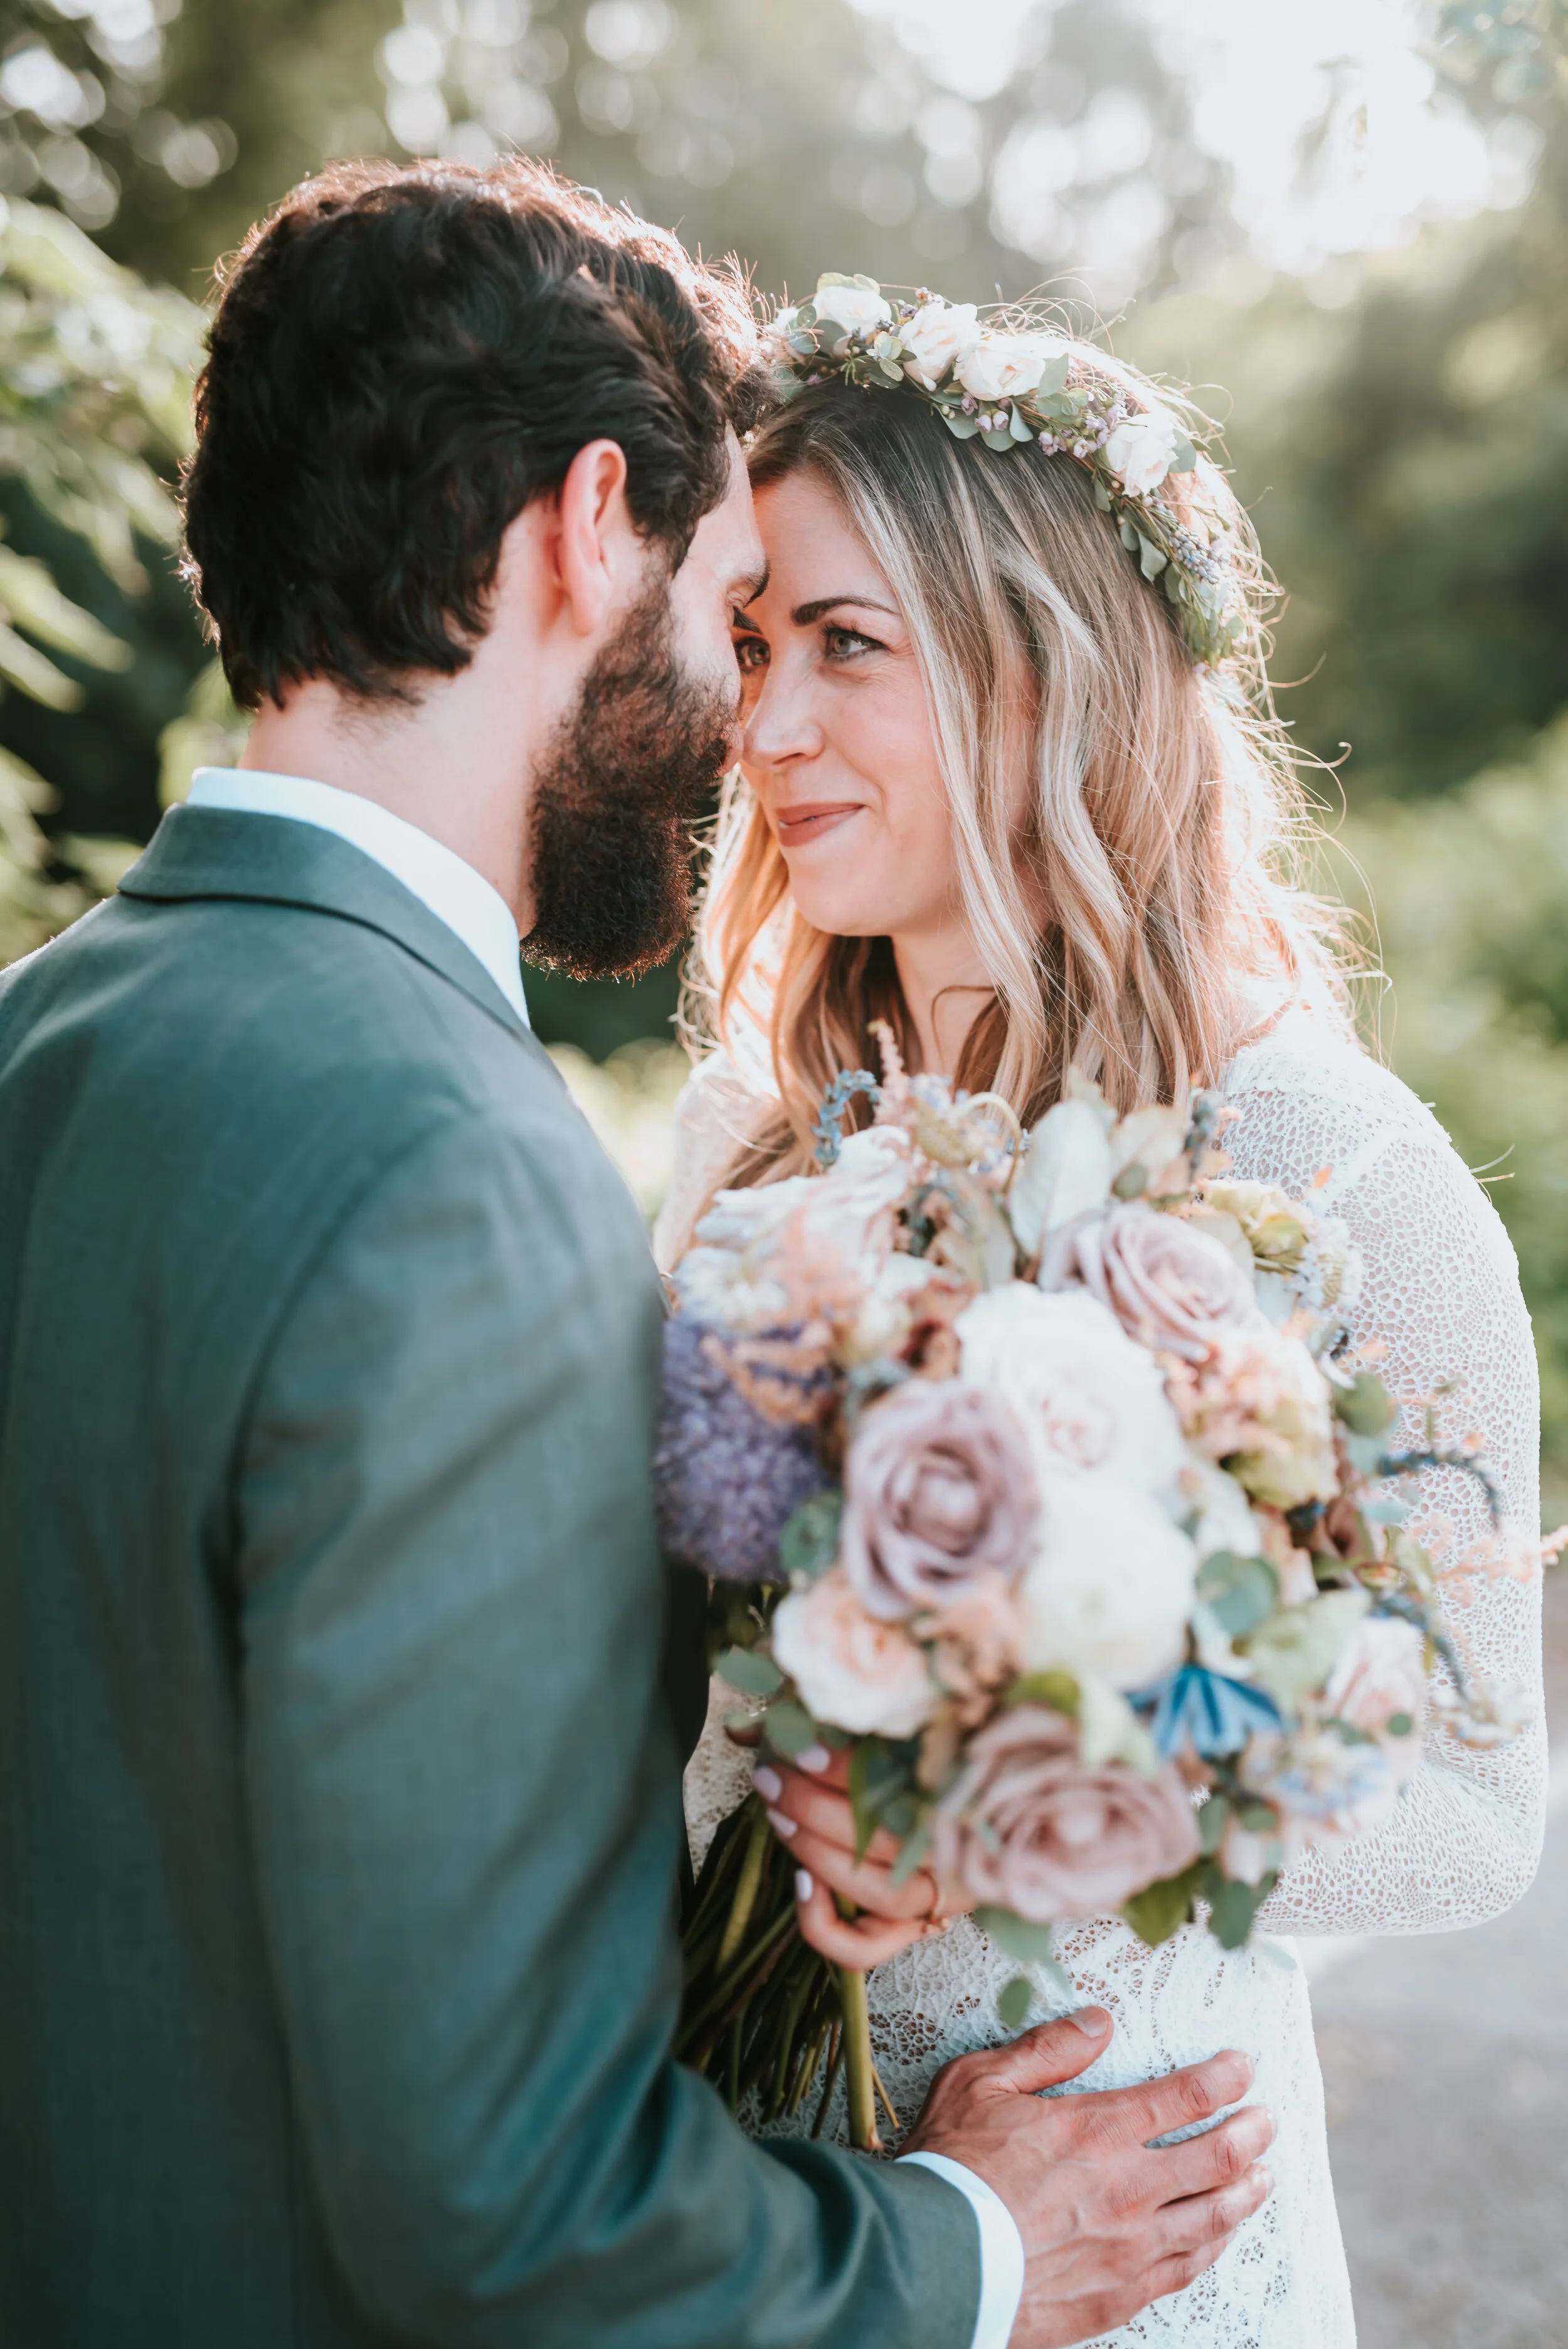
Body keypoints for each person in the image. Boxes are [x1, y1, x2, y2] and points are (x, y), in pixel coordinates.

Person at [0, 163, 1276, 2349]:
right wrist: (960, 2249)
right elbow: (507, 2202)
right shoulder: (454, 1169)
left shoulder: (39, 1036)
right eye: (728, 603)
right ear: (594, 524)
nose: (739, 716)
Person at [660, 288, 1547, 2348]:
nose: (764, 728)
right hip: (759, 2190)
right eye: (752, 647)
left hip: (1133, 2216)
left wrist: (1019, 1815)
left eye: (844, 643)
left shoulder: (1340, 1170)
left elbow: (1474, 1812)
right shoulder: (744, 1131)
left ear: (1042, 669)